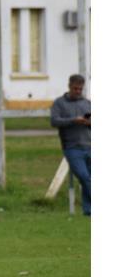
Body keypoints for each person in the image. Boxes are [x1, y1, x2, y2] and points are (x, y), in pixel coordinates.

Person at [51, 74, 91, 217]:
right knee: (84, 177)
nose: (78, 91)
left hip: (89, 145)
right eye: (75, 88)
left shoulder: (87, 103)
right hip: (71, 147)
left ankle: (89, 210)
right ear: (69, 86)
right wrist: (74, 120)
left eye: (80, 89)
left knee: (90, 178)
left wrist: (89, 123)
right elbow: (54, 121)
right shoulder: (59, 103)